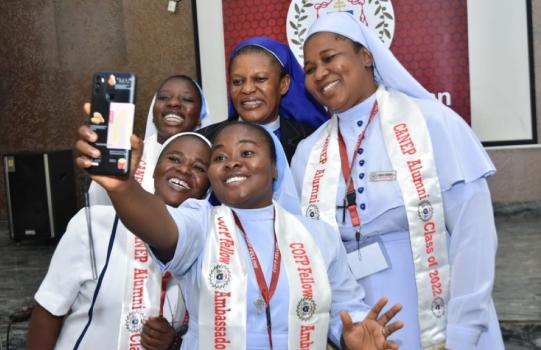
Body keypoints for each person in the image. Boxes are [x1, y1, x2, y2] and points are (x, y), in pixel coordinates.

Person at [75, 120, 404, 349]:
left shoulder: (318, 235)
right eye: (219, 157)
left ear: (274, 168)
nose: (232, 163)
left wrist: (353, 336)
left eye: (246, 153)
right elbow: (160, 226)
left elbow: (343, 309)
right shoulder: (200, 221)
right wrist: (122, 188)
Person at [290, 12, 505, 350]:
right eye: (310, 68)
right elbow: (311, 257)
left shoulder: (432, 123)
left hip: (442, 315)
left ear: (366, 56)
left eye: (329, 58)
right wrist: (343, 333)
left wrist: (463, 331)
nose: (320, 73)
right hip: (361, 326)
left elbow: (473, 235)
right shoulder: (307, 152)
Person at [27, 132, 212, 350]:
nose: (183, 169)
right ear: (153, 170)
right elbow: (49, 311)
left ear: (208, 189)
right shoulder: (94, 224)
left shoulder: (210, 247)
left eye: (199, 168)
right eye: (174, 159)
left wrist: (173, 342)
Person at [199, 37, 327, 162]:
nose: (247, 89)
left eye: (260, 79)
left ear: (284, 84)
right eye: (237, 81)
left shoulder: (315, 141)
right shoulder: (204, 141)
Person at [88, 74, 208, 205]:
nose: (173, 103)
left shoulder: (211, 165)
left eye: (187, 99)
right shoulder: (127, 155)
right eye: (164, 97)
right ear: (153, 113)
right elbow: (98, 205)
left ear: (200, 118)